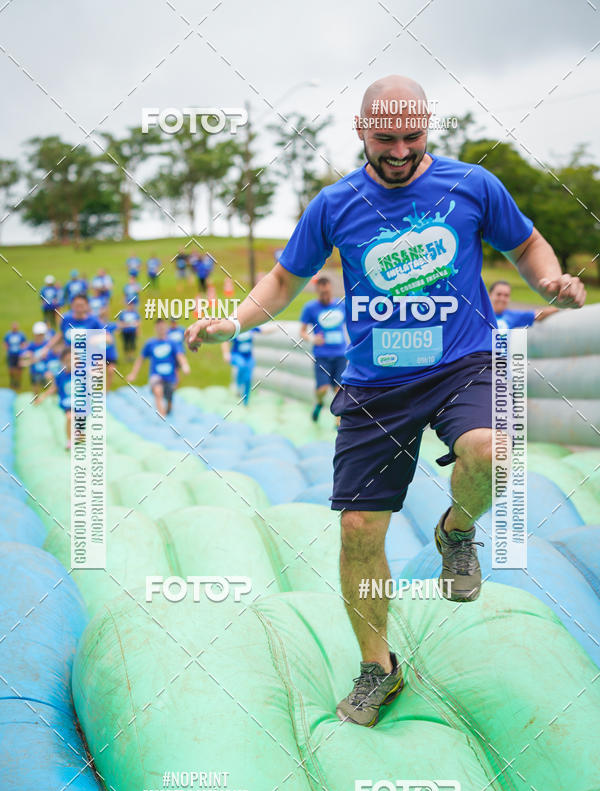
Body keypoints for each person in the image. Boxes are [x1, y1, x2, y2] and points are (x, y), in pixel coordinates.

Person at [185, 75, 586, 728]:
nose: (399, 150)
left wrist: (546, 277)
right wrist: (235, 321)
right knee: (358, 532)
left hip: (462, 363)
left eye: (412, 137)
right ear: (360, 132)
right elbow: (284, 277)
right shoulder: (335, 204)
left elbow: (526, 243)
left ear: (429, 128)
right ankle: (379, 666)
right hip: (376, 386)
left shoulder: (472, 187)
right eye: (384, 138)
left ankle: (458, 530)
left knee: (495, 452)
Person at [300, 275, 347, 421]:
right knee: (323, 388)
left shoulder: (341, 305)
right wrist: (313, 338)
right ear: (317, 292)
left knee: (339, 389)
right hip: (322, 355)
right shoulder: (310, 308)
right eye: (322, 293)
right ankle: (319, 402)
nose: (325, 296)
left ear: (331, 290)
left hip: (340, 353)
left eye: (327, 292)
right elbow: (302, 331)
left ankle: (338, 422)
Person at [127, 319, 190, 417]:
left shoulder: (172, 343)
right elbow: (140, 359)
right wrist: (133, 374)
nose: (161, 329)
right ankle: (162, 417)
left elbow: (180, 355)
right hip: (156, 375)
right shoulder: (150, 344)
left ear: (166, 328)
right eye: (159, 327)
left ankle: (169, 406)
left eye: (162, 327)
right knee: (158, 392)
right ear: (155, 329)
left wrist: (185, 365)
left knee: (169, 397)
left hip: (170, 377)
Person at [34, 347, 74, 449]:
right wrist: (42, 397)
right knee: (69, 417)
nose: (70, 363)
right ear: (62, 362)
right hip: (67, 403)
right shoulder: (61, 376)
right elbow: (53, 389)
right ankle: (70, 440)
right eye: (67, 361)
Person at [489, 279, 560, 330]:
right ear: (489, 295)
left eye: (506, 295)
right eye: (499, 294)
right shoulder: (480, 315)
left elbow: (539, 314)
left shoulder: (512, 316)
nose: (502, 299)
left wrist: (561, 306)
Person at [221, 327, 261, 405]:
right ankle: (238, 387)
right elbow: (225, 340)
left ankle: (246, 402)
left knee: (248, 379)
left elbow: (263, 331)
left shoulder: (251, 328)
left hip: (248, 357)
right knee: (241, 365)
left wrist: (279, 326)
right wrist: (226, 353)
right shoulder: (236, 330)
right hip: (237, 355)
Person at [21, 322, 58, 398]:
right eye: (38, 335)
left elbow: (51, 356)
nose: (39, 337)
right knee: (36, 386)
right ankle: (35, 398)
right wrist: (27, 355)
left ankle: (53, 397)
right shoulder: (31, 345)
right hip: (35, 371)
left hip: (45, 370)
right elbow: (23, 355)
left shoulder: (47, 345)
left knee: (51, 381)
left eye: (41, 335)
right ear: (34, 335)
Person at [4, 322, 27, 390]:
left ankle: (18, 383)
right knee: (11, 369)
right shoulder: (8, 335)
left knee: (19, 369)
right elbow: (5, 343)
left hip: (19, 355)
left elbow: (24, 343)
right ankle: (12, 381)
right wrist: (7, 348)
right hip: (11, 355)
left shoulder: (21, 334)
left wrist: (22, 349)